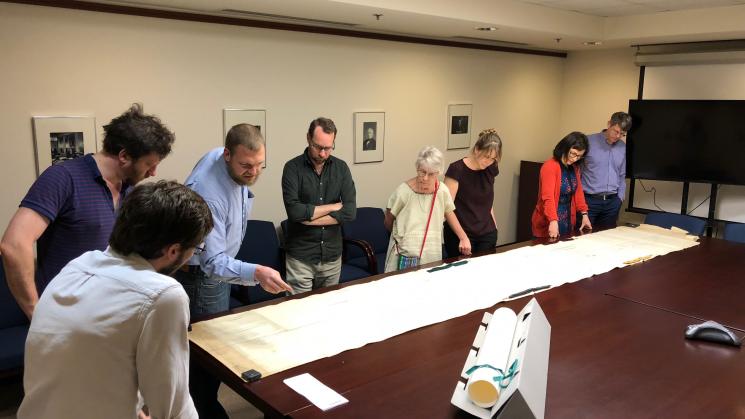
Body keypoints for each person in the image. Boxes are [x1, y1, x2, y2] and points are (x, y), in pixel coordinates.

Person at [17, 180, 213, 419]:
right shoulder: (163, 294)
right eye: (197, 248)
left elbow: (89, 361)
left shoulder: (78, 265)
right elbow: (174, 406)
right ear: (173, 251)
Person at [0, 104, 174, 319]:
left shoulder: (129, 188)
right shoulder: (63, 178)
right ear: (124, 156)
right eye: (149, 164)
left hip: (108, 311)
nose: (153, 172)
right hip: (63, 315)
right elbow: (14, 245)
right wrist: (35, 312)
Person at [176, 123, 292, 418]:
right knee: (206, 365)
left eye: (259, 165)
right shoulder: (208, 195)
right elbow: (212, 263)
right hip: (203, 280)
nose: (253, 173)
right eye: (246, 166)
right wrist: (257, 272)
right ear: (227, 154)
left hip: (218, 271)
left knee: (210, 358)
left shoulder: (218, 155)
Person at [282, 117, 356, 294]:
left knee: (328, 311)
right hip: (301, 258)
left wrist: (308, 218)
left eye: (328, 148)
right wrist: (332, 207)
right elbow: (294, 212)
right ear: (308, 138)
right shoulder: (292, 168)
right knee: (298, 312)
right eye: (318, 147)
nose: (323, 153)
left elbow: (350, 212)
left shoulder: (341, 168)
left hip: (332, 257)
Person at [384, 146, 471, 273]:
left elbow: (449, 213)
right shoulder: (403, 191)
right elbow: (388, 221)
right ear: (417, 168)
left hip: (432, 251)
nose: (425, 178)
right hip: (405, 252)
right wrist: (403, 238)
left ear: (438, 172)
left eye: (431, 174)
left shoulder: (442, 191)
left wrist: (463, 237)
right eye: (422, 172)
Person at [444, 128, 502, 257]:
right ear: (477, 150)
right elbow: (447, 209)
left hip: (487, 233)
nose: (489, 162)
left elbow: (487, 201)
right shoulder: (456, 170)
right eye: (487, 157)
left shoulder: (491, 168)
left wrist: (494, 228)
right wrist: (463, 237)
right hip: (460, 234)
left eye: (493, 159)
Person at [532, 132, 593, 239]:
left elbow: (578, 193)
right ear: (565, 148)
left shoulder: (574, 168)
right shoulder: (550, 166)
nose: (575, 159)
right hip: (548, 220)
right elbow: (548, 197)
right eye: (573, 153)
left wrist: (584, 214)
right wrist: (553, 220)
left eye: (579, 156)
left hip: (567, 219)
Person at [581, 112, 632, 230]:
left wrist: (620, 198)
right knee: (583, 238)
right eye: (616, 131)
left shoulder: (622, 147)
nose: (618, 136)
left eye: (622, 134)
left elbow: (622, 175)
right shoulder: (588, 142)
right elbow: (578, 173)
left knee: (607, 240)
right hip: (589, 202)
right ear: (609, 124)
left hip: (612, 203)